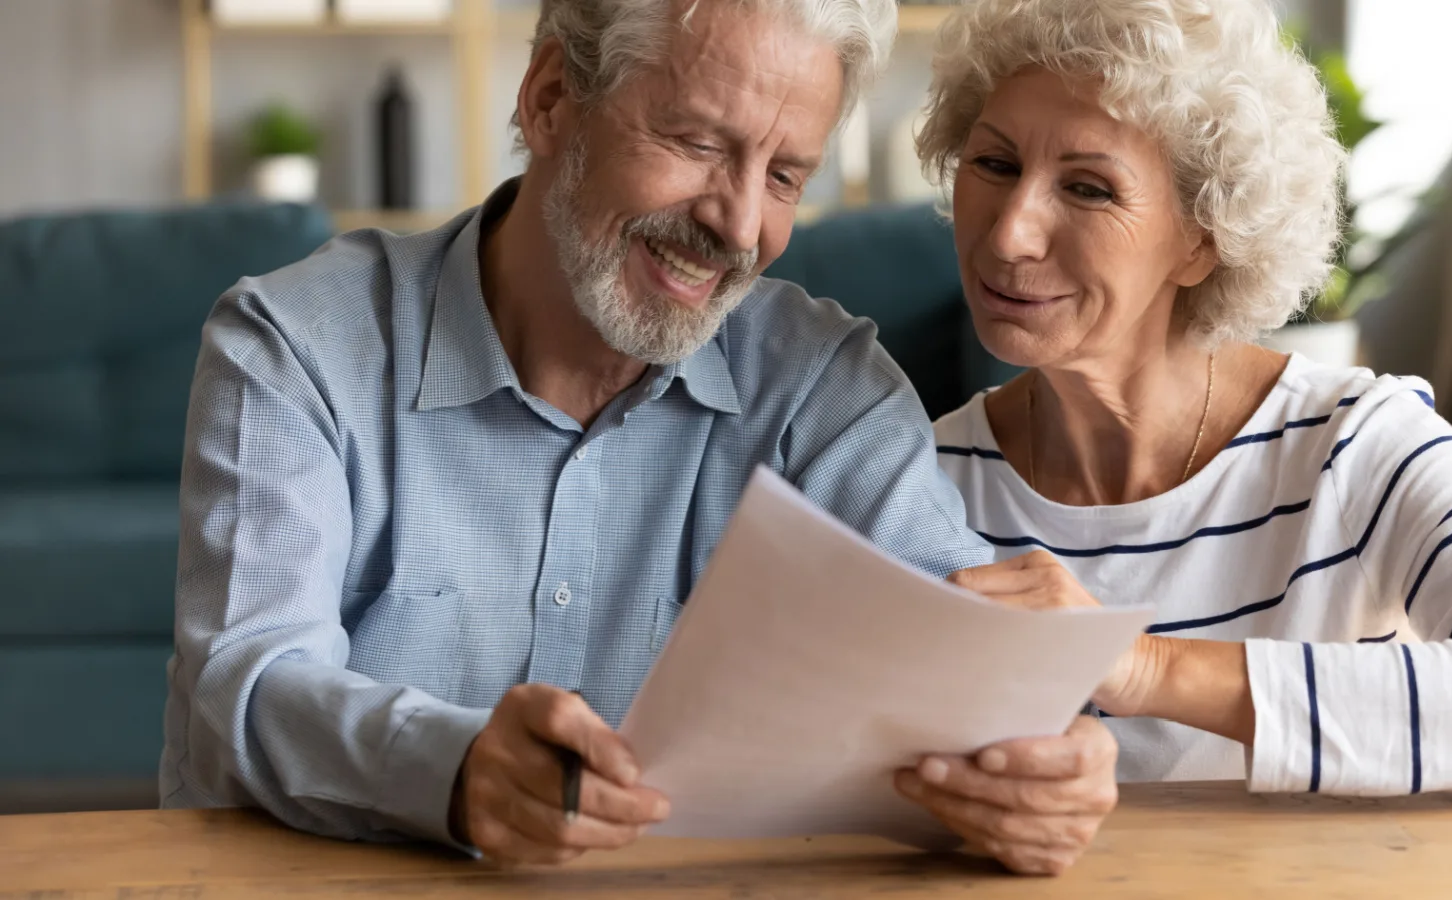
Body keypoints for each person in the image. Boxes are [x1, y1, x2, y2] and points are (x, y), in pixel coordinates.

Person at [161, 0, 1117, 878]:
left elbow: (969, 664)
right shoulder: (296, 345)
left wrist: (1043, 760)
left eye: (784, 175)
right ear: (548, 101)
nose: (739, 223)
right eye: (698, 142)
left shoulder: (826, 387)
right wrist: (452, 772)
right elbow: (247, 685)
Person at [920, 0, 1452, 801]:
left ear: (1204, 238)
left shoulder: (1357, 445)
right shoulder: (922, 479)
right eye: (994, 165)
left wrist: (1142, 665)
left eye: (1090, 188)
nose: (1008, 236)